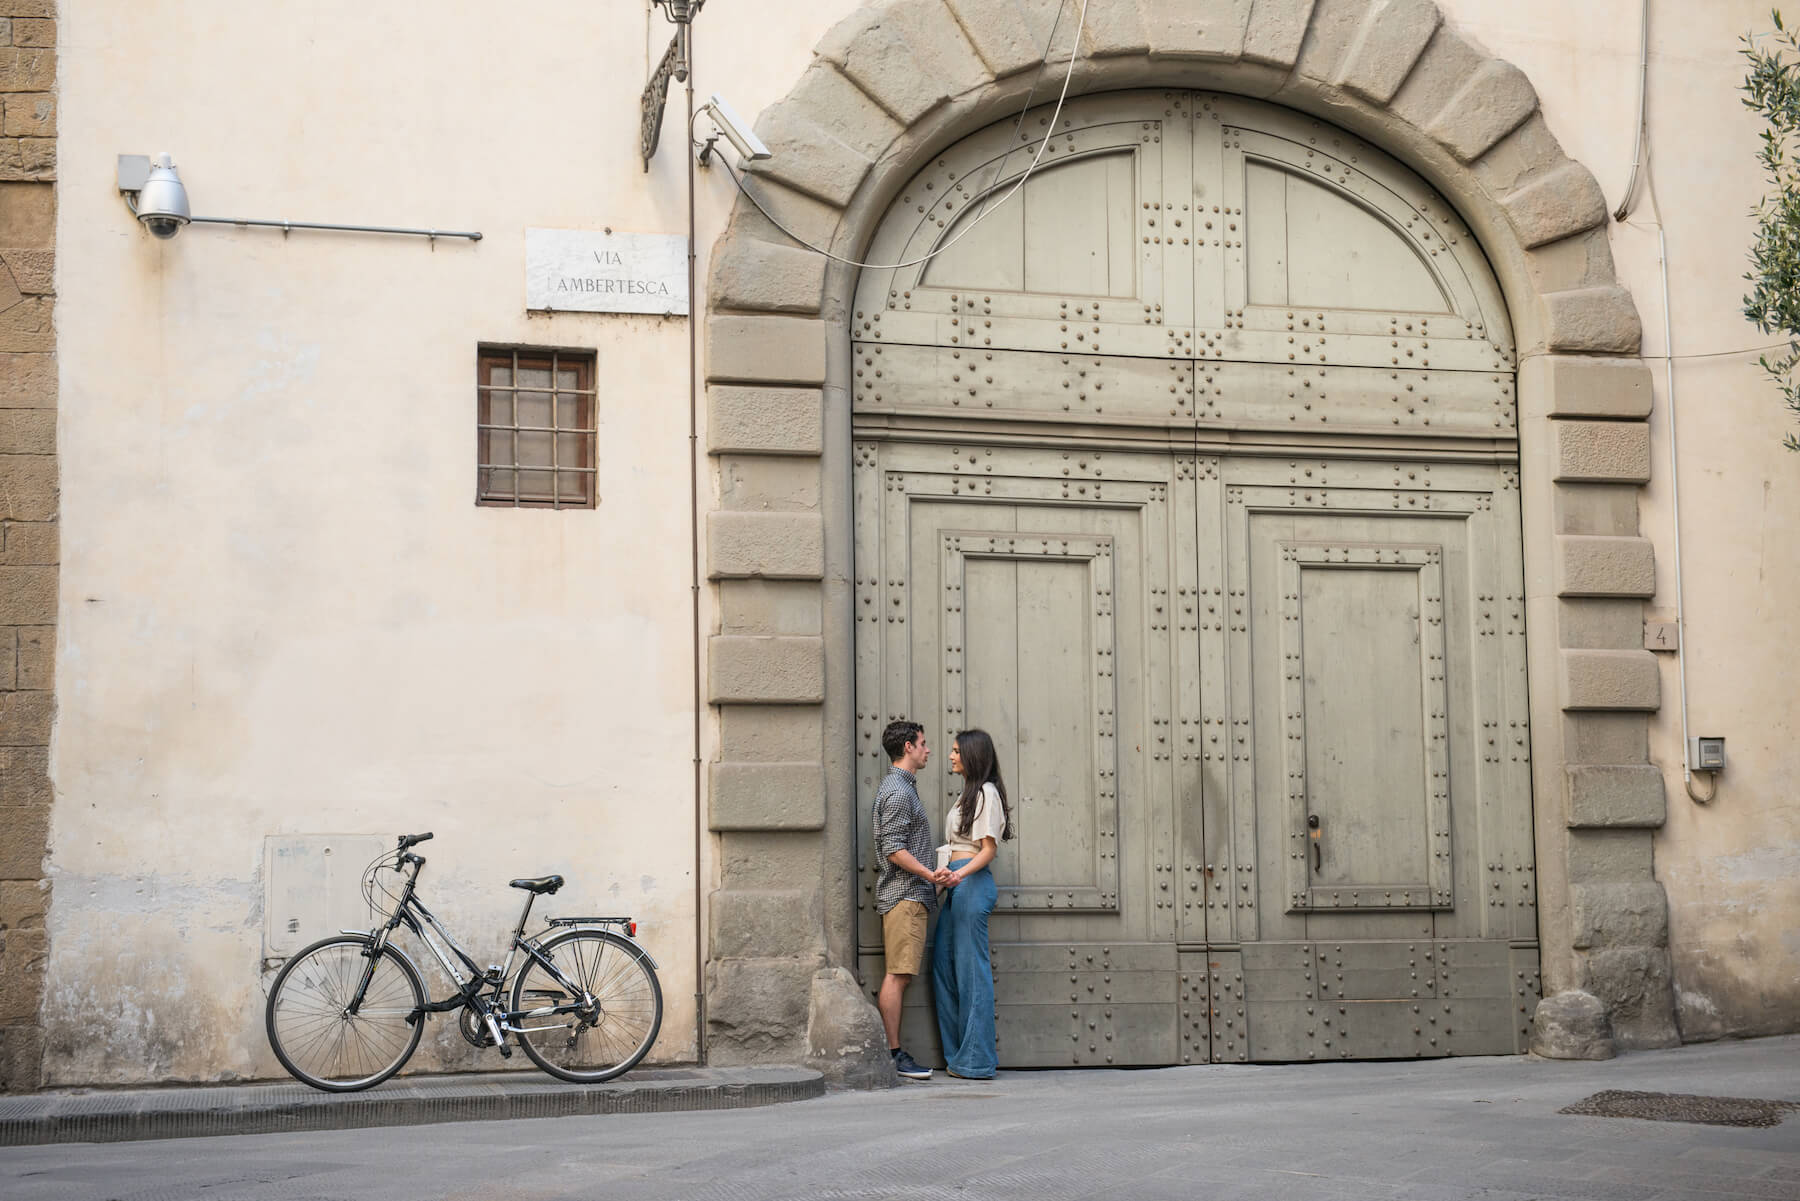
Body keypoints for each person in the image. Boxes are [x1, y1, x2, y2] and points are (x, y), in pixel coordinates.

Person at [872, 719, 951, 1081]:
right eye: (923, 743)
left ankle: (893, 1052)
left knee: (899, 974)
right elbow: (893, 849)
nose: (928, 749)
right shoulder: (899, 792)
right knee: (898, 975)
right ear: (908, 747)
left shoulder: (900, 788)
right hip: (904, 897)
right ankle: (893, 1054)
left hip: (910, 895)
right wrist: (929, 874)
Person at [931, 727, 1013, 1079]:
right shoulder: (968, 794)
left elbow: (988, 850)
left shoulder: (986, 794)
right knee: (943, 970)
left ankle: (976, 1061)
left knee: (972, 975)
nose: (950, 756)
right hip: (955, 884)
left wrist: (959, 876)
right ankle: (957, 1056)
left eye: (955, 751)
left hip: (970, 883)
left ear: (971, 755)